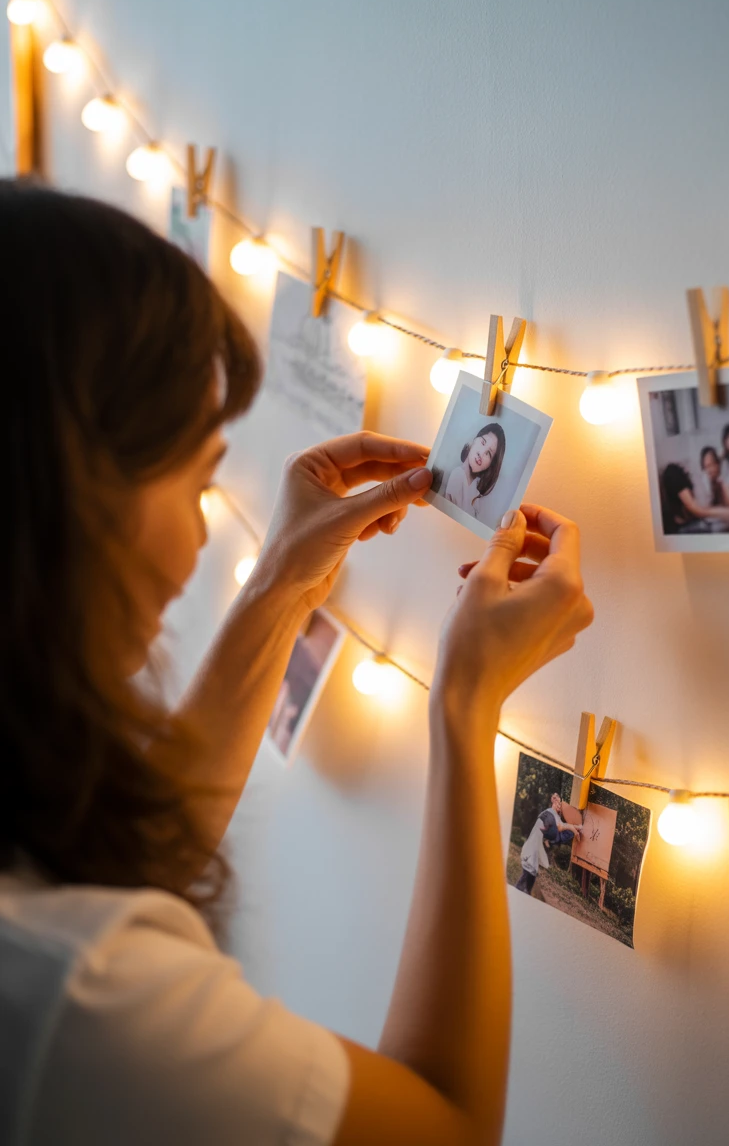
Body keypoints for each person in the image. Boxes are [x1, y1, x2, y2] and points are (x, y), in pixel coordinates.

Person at [0, 181, 594, 1146]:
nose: (202, 537)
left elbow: (125, 866)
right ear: (68, 493)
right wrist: (464, 705)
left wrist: (282, 579)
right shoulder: (76, 992)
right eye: (196, 480)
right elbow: (446, 1128)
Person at [515, 793, 583, 895]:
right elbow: (560, 826)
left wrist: (576, 828)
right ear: (553, 801)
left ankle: (524, 892)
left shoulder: (555, 816)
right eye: (557, 802)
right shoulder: (549, 813)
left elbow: (561, 827)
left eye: (560, 805)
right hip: (533, 845)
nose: (558, 804)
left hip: (536, 845)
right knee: (529, 870)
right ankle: (521, 891)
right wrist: (573, 828)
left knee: (531, 871)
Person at [660, 462, 729, 535]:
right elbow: (697, 510)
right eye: (708, 466)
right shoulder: (674, 474)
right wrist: (728, 512)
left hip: (692, 521)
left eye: (713, 464)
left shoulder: (700, 480)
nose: (711, 470)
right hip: (682, 528)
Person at [443, 422, 506, 520]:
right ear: (474, 440)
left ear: (491, 465)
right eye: (483, 442)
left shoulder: (476, 491)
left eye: (489, 453)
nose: (482, 453)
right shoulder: (458, 475)